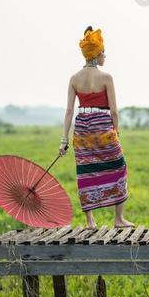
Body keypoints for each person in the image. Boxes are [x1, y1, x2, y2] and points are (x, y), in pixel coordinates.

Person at [59, 26, 133, 230]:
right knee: (118, 166)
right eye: (103, 53)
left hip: (82, 127)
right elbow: (114, 111)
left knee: (85, 170)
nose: (105, 56)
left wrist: (64, 140)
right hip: (102, 126)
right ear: (98, 54)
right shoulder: (106, 78)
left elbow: (68, 111)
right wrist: (115, 132)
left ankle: (90, 222)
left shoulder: (74, 79)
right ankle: (118, 219)